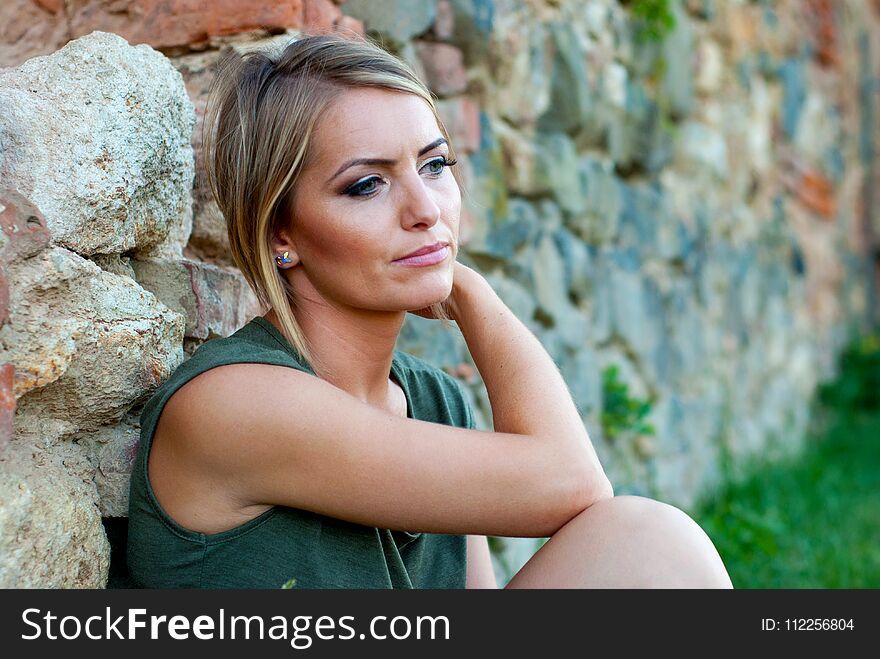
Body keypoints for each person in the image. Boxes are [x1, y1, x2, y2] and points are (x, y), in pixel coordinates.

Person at [126, 33, 733, 589]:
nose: (426, 209)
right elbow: (568, 482)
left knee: (650, 546)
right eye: (367, 184)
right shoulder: (235, 404)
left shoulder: (437, 403)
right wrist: (474, 295)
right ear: (281, 233)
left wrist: (461, 284)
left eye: (435, 164)